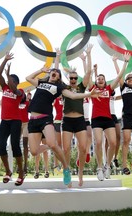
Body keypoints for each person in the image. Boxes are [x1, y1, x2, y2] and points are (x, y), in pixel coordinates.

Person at [25, 59, 100, 187]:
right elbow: (28, 78)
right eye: (52, 71)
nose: (54, 72)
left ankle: (66, 169)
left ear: (59, 77)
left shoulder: (59, 87)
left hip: (46, 118)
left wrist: (88, 94)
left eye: (57, 72)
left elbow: (73, 96)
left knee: (53, 143)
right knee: (33, 151)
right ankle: (52, 146)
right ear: (49, 74)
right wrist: (41, 70)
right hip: (32, 120)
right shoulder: (41, 82)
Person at [87, 48, 131, 181]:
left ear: (105, 82)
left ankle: (107, 165)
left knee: (113, 142)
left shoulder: (108, 89)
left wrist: (125, 63)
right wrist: (89, 55)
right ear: (96, 81)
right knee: (99, 142)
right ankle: (99, 167)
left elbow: (119, 77)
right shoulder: (93, 89)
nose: (100, 80)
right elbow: (88, 75)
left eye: (102, 78)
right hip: (96, 119)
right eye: (98, 78)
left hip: (108, 119)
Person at [61, 44, 94, 186]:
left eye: (75, 78)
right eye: (71, 78)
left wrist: (87, 55)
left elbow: (88, 73)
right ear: (69, 79)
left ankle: (80, 174)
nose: (73, 80)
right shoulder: (64, 88)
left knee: (82, 148)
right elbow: (58, 72)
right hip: (67, 120)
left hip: (80, 120)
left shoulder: (81, 87)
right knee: (66, 148)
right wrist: (59, 60)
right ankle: (67, 172)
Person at [0, 52, 25, 186]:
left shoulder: (20, 92)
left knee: (15, 146)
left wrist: (9, 76)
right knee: (1, 145)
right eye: (9, 80)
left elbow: (14, 90)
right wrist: (5, 59)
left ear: (16, 83)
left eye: (12, 80)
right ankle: (8, 171)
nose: (9, 82)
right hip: (4, 121)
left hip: (15, 121)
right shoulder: (4, 88)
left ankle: (21, 173)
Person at [19, 91, 31, 174]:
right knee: (15, 143)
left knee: (25, 144)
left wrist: (29, 98)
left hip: (26, 124)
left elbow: (31, 108)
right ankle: (19, 163)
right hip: (18, 124)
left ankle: (25, 164)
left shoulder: (27, 102)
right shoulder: (17, 102)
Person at [52, 95, 63, 174]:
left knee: (64, 145)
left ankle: (64, 165)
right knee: (57, 144)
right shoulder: (55, 99)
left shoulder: (67, 98)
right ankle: (56, 166)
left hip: (66, 121)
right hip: (57, 122)